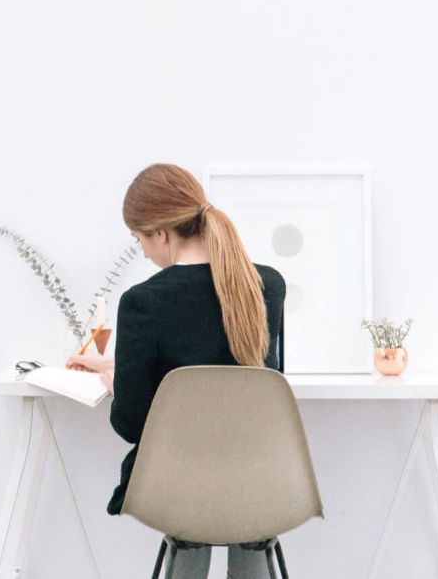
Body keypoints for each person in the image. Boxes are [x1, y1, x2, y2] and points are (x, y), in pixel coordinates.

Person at [66, 163, 286, 578]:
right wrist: (122, 365)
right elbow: (262, 385)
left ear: (162, 234)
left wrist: (119, 385)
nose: (144, 253)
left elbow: (132, 425)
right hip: (261, 481)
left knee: (190, 480)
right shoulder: (266, 285)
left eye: (140, 240)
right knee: (243, 492)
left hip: (179, 487)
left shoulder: (143, 303)